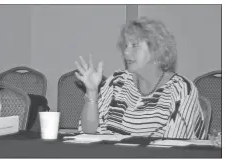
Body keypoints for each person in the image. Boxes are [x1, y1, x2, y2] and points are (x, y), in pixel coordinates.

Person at [75, 17, 206, 139]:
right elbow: (88, 133)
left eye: (134, 45)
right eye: (125, 46)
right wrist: (92, 91)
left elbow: (173, 149)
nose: (126, 52)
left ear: (156, 49)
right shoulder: (117, 82)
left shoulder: (181, 90)